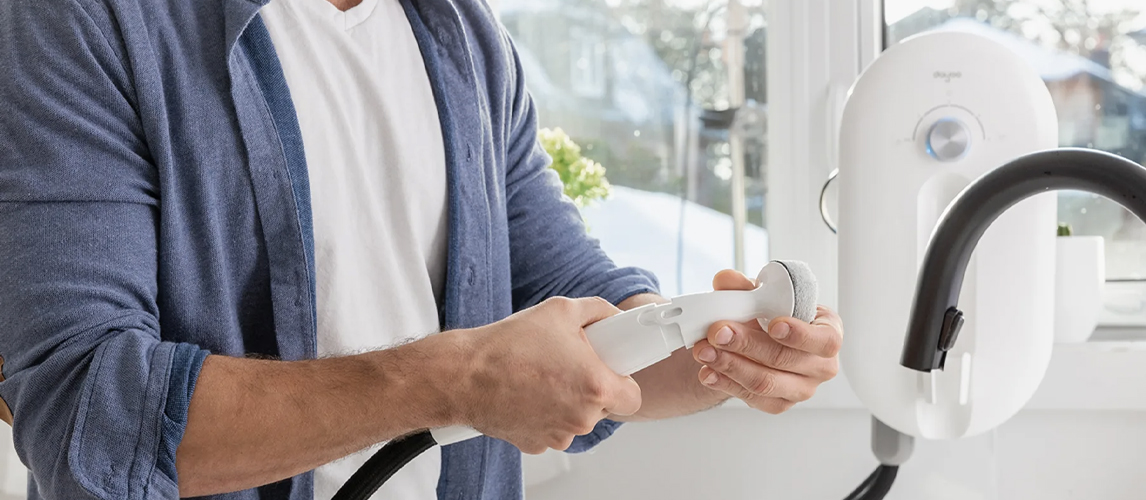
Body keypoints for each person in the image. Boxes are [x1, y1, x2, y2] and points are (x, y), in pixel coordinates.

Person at [0, 0, 844, 498]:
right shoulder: (82, 22)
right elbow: (82, 411)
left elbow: (580, 305)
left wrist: (720, 352)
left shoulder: (463, 38)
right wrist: (455, 380)